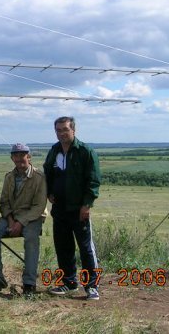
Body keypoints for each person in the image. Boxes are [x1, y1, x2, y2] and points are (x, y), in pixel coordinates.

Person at [43, 116, 101, 300]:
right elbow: (48, 172)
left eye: (65, 130)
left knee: (85, 248)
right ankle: (68, 283)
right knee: (63, 247)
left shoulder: (85, 151)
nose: (61, 133)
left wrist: (87, 205)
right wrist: (49, 192)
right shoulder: (54, 150)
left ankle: (92, 286)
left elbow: (93, 180)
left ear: (73, 130)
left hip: (78, 209)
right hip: (59, 208)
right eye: (58, 130)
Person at [0, 143, 46, 296]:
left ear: (29, 156)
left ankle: (29, 283)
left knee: (31, 238)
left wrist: (20, 223)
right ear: (12, 158)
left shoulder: (39, 177)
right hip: (11, 216)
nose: (19, 158)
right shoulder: (9, 177)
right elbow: (4, 202)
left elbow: (39, 206)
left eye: (23, 155)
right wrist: (11, 220)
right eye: (16, 155)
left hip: (33, 217)